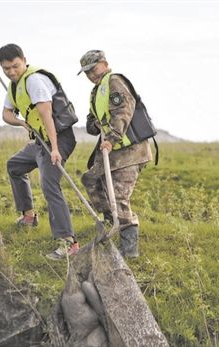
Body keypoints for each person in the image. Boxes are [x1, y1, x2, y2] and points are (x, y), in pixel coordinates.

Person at [0, 43, 79, 260]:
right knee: (14, 166)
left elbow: (47, 116)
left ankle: (68, 243)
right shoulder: (14, 85)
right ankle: (29, 216)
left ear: (24, 60)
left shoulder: (35, 81)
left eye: (15, 66)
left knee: (49, 183)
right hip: (39, 141)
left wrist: (54, 149)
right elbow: (5, 114)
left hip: (58, 138)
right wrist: (22, 123)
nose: (11, 72)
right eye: (6, 69)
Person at [77, 50, 153, 258]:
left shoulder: (115, 82)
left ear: (104, 64)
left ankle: (130, 251)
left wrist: (110, 139)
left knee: (119, 197)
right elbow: (91, 124)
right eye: (87, 73)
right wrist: (95, 125)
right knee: (91, 179)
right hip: (111, 151)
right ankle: (112, 221)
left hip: (130, 151)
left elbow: (123, 113)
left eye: (93, 69)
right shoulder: (96, 92)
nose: (91, 75)